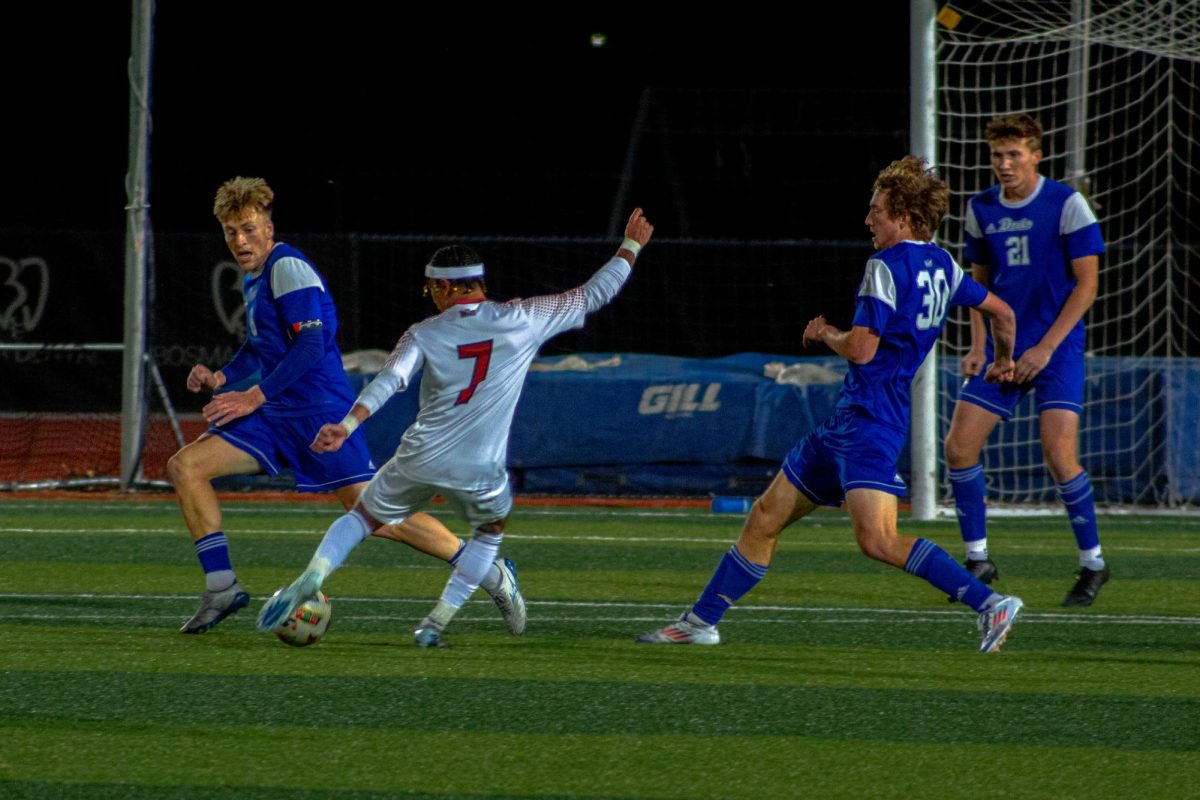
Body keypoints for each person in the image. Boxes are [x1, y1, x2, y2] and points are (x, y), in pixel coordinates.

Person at [637, 156, 1024, 653]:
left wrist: (825, 333)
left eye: (876, 211)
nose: (868, 221)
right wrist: (1004, 358)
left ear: (904, 217)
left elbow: (861, 349)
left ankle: (989, 602)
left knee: (878, 541)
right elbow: (1002, 311)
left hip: (870, 424)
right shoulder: (943, 266)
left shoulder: (885, 267)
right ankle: (701, 621)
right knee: (764, 516)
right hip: (848, 423)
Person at [256, 208, 655, 647]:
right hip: (479, 470)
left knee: (362, 516)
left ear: (446, 286)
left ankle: (315, 573)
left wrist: (347, 425)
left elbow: (389, 380)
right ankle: (436, 622)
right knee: (488, 534)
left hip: (419, 457)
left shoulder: (423, 332)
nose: (430, 296)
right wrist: (630, 246)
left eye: (432, 289)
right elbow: (595, 293)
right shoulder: (524, 317)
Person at [169, 176, 523, 635]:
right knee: (186, 467)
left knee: (379, 519)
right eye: (231, 231)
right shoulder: (256, 280)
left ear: (269, 227)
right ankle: (221, 587)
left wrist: (253, 395)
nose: (240, 240)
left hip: (319, 413)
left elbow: (312, 344)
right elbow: (261, 349)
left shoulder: (287, 267)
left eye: (249, 228)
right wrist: (220, 378)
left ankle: (493, 573)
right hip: (278, 415)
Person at [944, 114, 1109, 607]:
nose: (1005, 163)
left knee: (1059, 455)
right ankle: (978, 559)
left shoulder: (1066, 204)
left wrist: (1045, 348)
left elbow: (1087, 284)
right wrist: (978, 347)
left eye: (1015, 154)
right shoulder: (982, 209)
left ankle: (1093, 565)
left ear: (1036, 155)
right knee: (958, 447)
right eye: (997, 155)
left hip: (1055, 350)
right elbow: (979, 286)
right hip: (1003, 351)